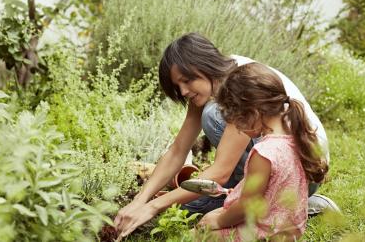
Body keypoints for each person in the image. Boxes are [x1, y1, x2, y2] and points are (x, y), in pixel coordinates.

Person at [114, 32, 332, 238]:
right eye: (177, 86)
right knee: (186, 207)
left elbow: (220, 172)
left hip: (302, 171)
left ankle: (291, 204)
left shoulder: (241, 85)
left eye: (186, 80)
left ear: (203, 66)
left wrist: (152, 207)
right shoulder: (211, 82)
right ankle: (254, 202)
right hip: (284, 164)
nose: (182, 91)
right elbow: (178, 150)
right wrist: (140, 201)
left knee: (212, 115)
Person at [196, 62, 327, 241]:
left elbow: (247, 206)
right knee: (216, 214)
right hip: (289, 229)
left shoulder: (264, 153)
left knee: (199, 233)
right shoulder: (296, 136)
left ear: (254, 113)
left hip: (267, 232)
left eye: (238, 120)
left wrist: (218, 221)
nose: (239, 130)